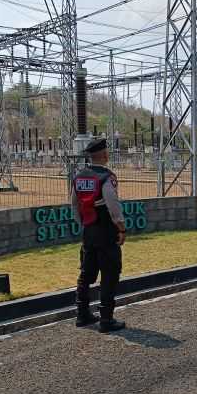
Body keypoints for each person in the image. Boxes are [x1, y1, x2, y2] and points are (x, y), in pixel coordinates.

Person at [71, 138, 127, 332]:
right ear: (103, 155)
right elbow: (112, 204)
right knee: (110, 274)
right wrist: (121, 227)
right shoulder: (107, 177)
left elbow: (74, 205)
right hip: (106, 230)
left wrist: (84, 225)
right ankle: (106, 319)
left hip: (88, 231)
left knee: (86, 273)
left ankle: (82, 314)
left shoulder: (79, 177)